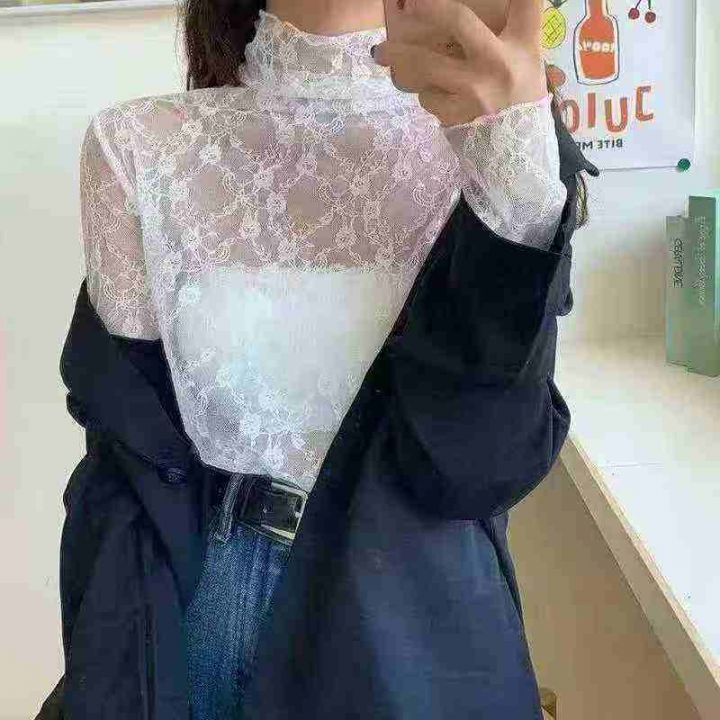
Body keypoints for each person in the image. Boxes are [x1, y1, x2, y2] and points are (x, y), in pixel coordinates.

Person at [39, 0, 598, 718]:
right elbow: (127, 473)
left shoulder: (501, 137)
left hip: (415, 621)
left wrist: (516, 171)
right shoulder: (139, 145)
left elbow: (481, 467)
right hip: (207, 611)